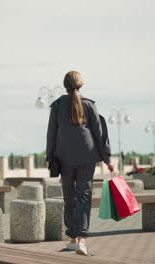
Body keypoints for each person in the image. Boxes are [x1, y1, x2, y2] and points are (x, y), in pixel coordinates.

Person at [46, 71, 113, 256]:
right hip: (87, 156)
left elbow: (51, 134)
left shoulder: (57, 105)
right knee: (84, 195)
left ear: (65, 85)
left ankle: (73, 239)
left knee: (69, 196)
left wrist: (50, 157)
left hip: (64, 157)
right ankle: (82, 241)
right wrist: (107, 159)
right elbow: (99, 134)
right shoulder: (89, 104)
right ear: (80, 84)